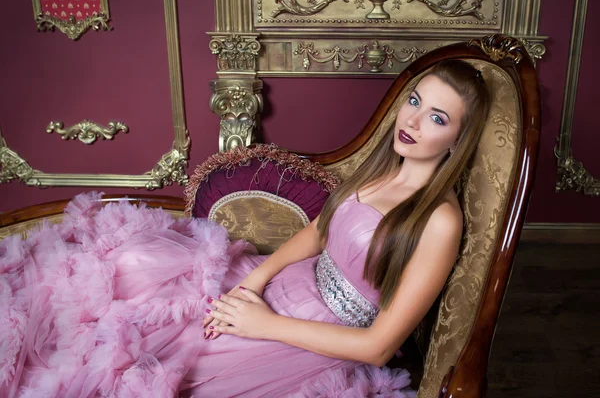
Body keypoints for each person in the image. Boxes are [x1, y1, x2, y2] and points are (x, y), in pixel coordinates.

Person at [0, 59, 490, 397]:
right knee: (135, 277)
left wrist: (263, 324)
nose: (414, 121)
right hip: (281, 284)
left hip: (318, 338)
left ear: (458, 138)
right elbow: (317, 233)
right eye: (414, 101)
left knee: (160, 366)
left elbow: (380, 346)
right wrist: (254, 281)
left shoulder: (439, 221)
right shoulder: (383, 168)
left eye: (438, 117)